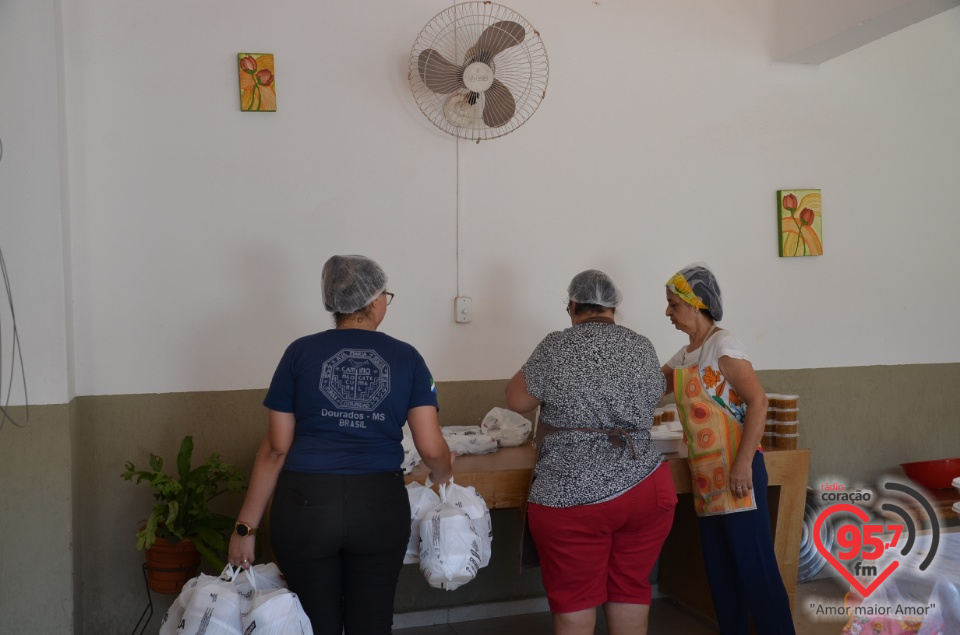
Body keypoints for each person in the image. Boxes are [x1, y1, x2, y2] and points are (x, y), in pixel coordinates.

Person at [228, 254, 454, 635]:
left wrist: (245, 527)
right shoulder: (408, 358)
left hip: (305, 506)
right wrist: (445, 476)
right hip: (378, 505)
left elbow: (276, 448)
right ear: (372, 301)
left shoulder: (299, 352)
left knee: (314, 624)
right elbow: (431, 448)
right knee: (372, 621)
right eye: (386, 294)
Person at [506, 269, 677, 635]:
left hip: (573, 494)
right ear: (614, 308)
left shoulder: (556, 345)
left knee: (576, 598)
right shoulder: (641, 345)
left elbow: (517, 400)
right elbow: (656, 394)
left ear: (572, 306)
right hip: (646, 486)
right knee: (631, 589)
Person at [662, 262, 795, 635]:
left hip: (739, 478)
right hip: (707, 481)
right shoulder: (686, 354)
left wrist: (742, 467)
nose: (668, 313)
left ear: (697, 303)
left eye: (673, 304)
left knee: (757, 575)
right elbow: (652, 388)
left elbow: (758, 401)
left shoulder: (724, 345)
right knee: (721, 578)